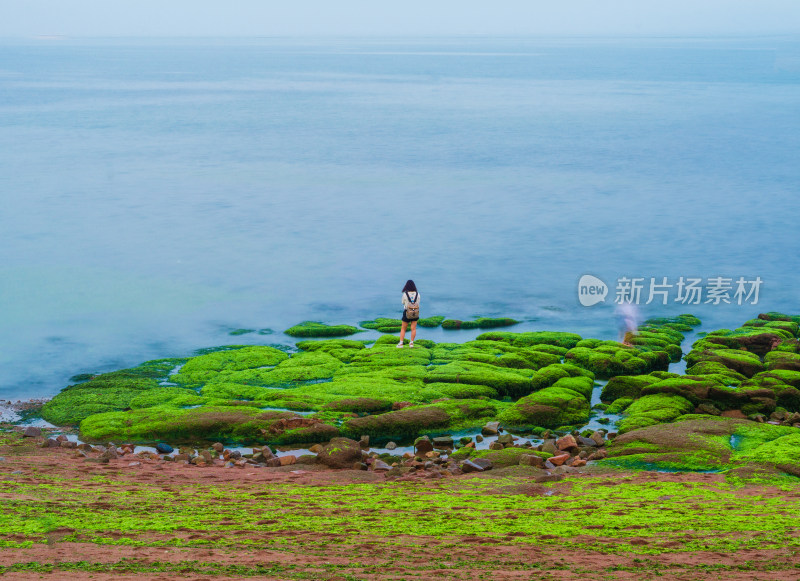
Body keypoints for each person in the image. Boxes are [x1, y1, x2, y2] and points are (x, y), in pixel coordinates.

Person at [398, 280, 420, 348]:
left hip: (407, 312)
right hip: (415, 312)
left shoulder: (405, 294)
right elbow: (418, 303)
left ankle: (401, 343)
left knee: (403, 328)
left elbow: (402, 302)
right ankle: (411, 343)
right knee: (413, 328)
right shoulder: (417, 294)